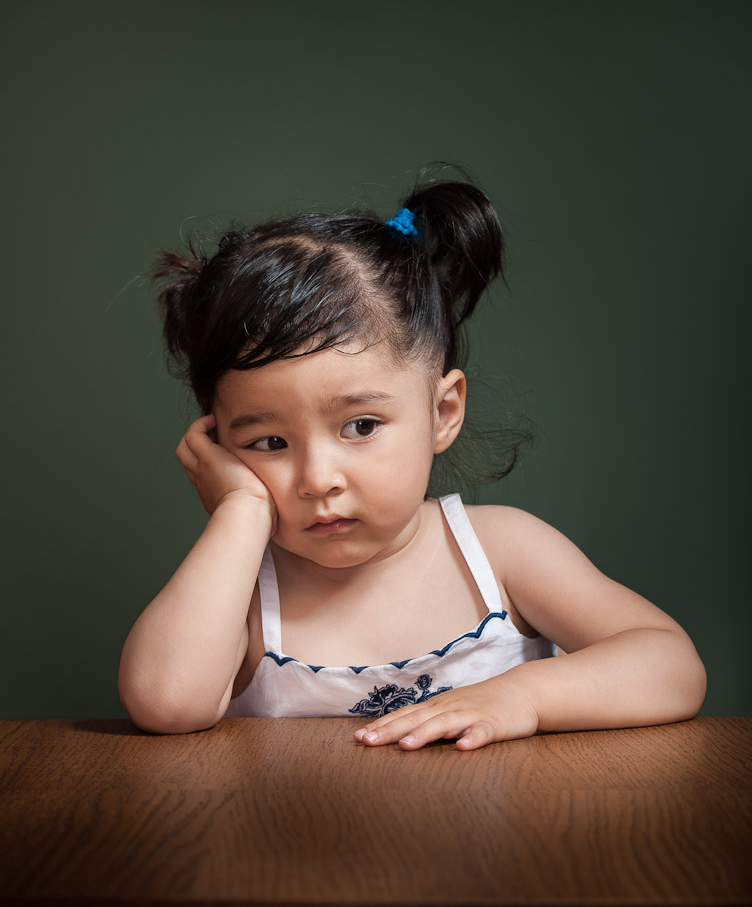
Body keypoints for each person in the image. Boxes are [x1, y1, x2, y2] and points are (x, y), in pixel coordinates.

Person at [118, 173, 706, 750]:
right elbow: (167, 702)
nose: (318, 480)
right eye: (269, 443)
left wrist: (521, 696)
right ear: (218, 444)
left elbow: (670, 664)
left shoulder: (501, 554)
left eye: (362, 426)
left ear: (444, 411)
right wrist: (240, 510)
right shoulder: (241, 591)